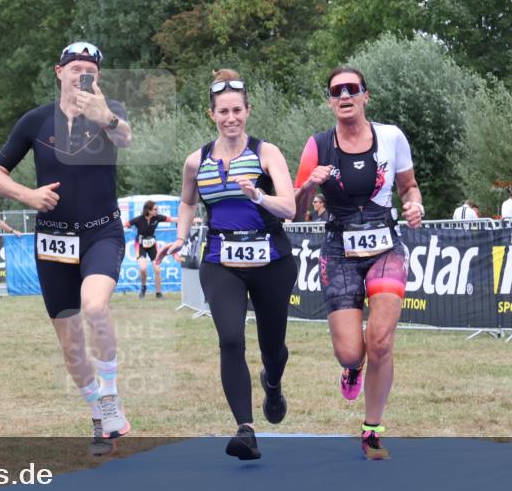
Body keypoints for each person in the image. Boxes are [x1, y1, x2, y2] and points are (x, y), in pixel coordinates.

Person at [0, 40, 132, 454]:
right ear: (59, 72)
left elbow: (125, 138)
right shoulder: (36, 121)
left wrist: (105, 116)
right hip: (53, 239)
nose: (82, 74)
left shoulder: (112, 112)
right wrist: (26, 196)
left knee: (95, 306)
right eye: (75, 67)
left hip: (100, 231)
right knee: (70, 344)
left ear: (98, 77)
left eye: (90, 68)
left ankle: (110, 397)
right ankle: (98, 416)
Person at [157, 70, 297, 461]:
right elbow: (187, 202)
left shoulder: (265, 153)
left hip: (271, 259)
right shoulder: (196, 161)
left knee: (273, 346)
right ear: (212, 114)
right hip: (221, 261)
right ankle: (245, 430)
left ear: (248, 111)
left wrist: (259, 196)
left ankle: (272, 383)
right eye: (223, 111)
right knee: (231, 339)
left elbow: (288, 207)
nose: (231, 117)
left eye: (237, 110)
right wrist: (182, 238)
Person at [293, 66, 425, 461]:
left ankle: (371, 430)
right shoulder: (317, 145)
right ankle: (351, 369)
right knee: (352, 351)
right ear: (330, 101)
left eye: (353, 89)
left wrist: (414, 204)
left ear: (366, 96)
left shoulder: (391, 137)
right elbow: (296, 213)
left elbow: (408, 187)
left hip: (385, 246)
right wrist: (309, 185)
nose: (345, 96)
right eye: (337, 91)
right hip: (338, 249)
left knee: (381, 341)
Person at [124, 200, 175, 299]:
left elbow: (173, 219)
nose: (157, 211)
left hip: (152, 245)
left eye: (157, 209)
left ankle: (158, 293)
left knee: (157, 269)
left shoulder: (157, 218)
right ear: (148, 210)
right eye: (155, 209)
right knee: (143, 268)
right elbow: (125, 224)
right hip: (140, 245)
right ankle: (143, 288)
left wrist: (191, 220)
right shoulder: (139, 219)